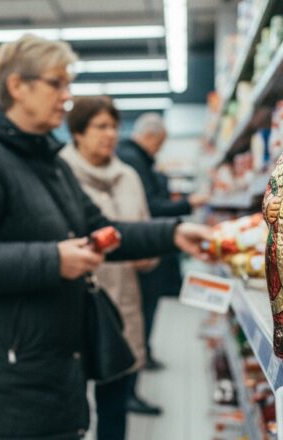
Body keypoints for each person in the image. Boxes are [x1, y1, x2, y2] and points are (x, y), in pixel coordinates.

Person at [0, 34, 213, 440]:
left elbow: (101, 229)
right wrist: (54, 260)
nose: (67, 96)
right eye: (56, 83)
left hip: (50, 366)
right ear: (17, 86)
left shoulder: (47, 160)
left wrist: (174, 233)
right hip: (2, 385)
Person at [60, 96, 158, 440]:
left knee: (115, 406)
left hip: (122, 305)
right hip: (72, 305)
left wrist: (149, 255)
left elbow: (144, 230)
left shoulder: (128, 176)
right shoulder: (59, 173)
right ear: (77, 132)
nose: (111, 134)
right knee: (68, 409)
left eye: (114, 126)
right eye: (100, 126)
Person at [116, 113, 208, 414]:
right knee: (138, 317)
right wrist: (187, 204)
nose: (160, 149)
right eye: (160, 143)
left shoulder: (135, 160)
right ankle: (128, 389)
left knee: (142, 315)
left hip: (145, 247)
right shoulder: (132, 161)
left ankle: (137, 368)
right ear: (151, 136)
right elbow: (151, 207)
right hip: (141, 250)